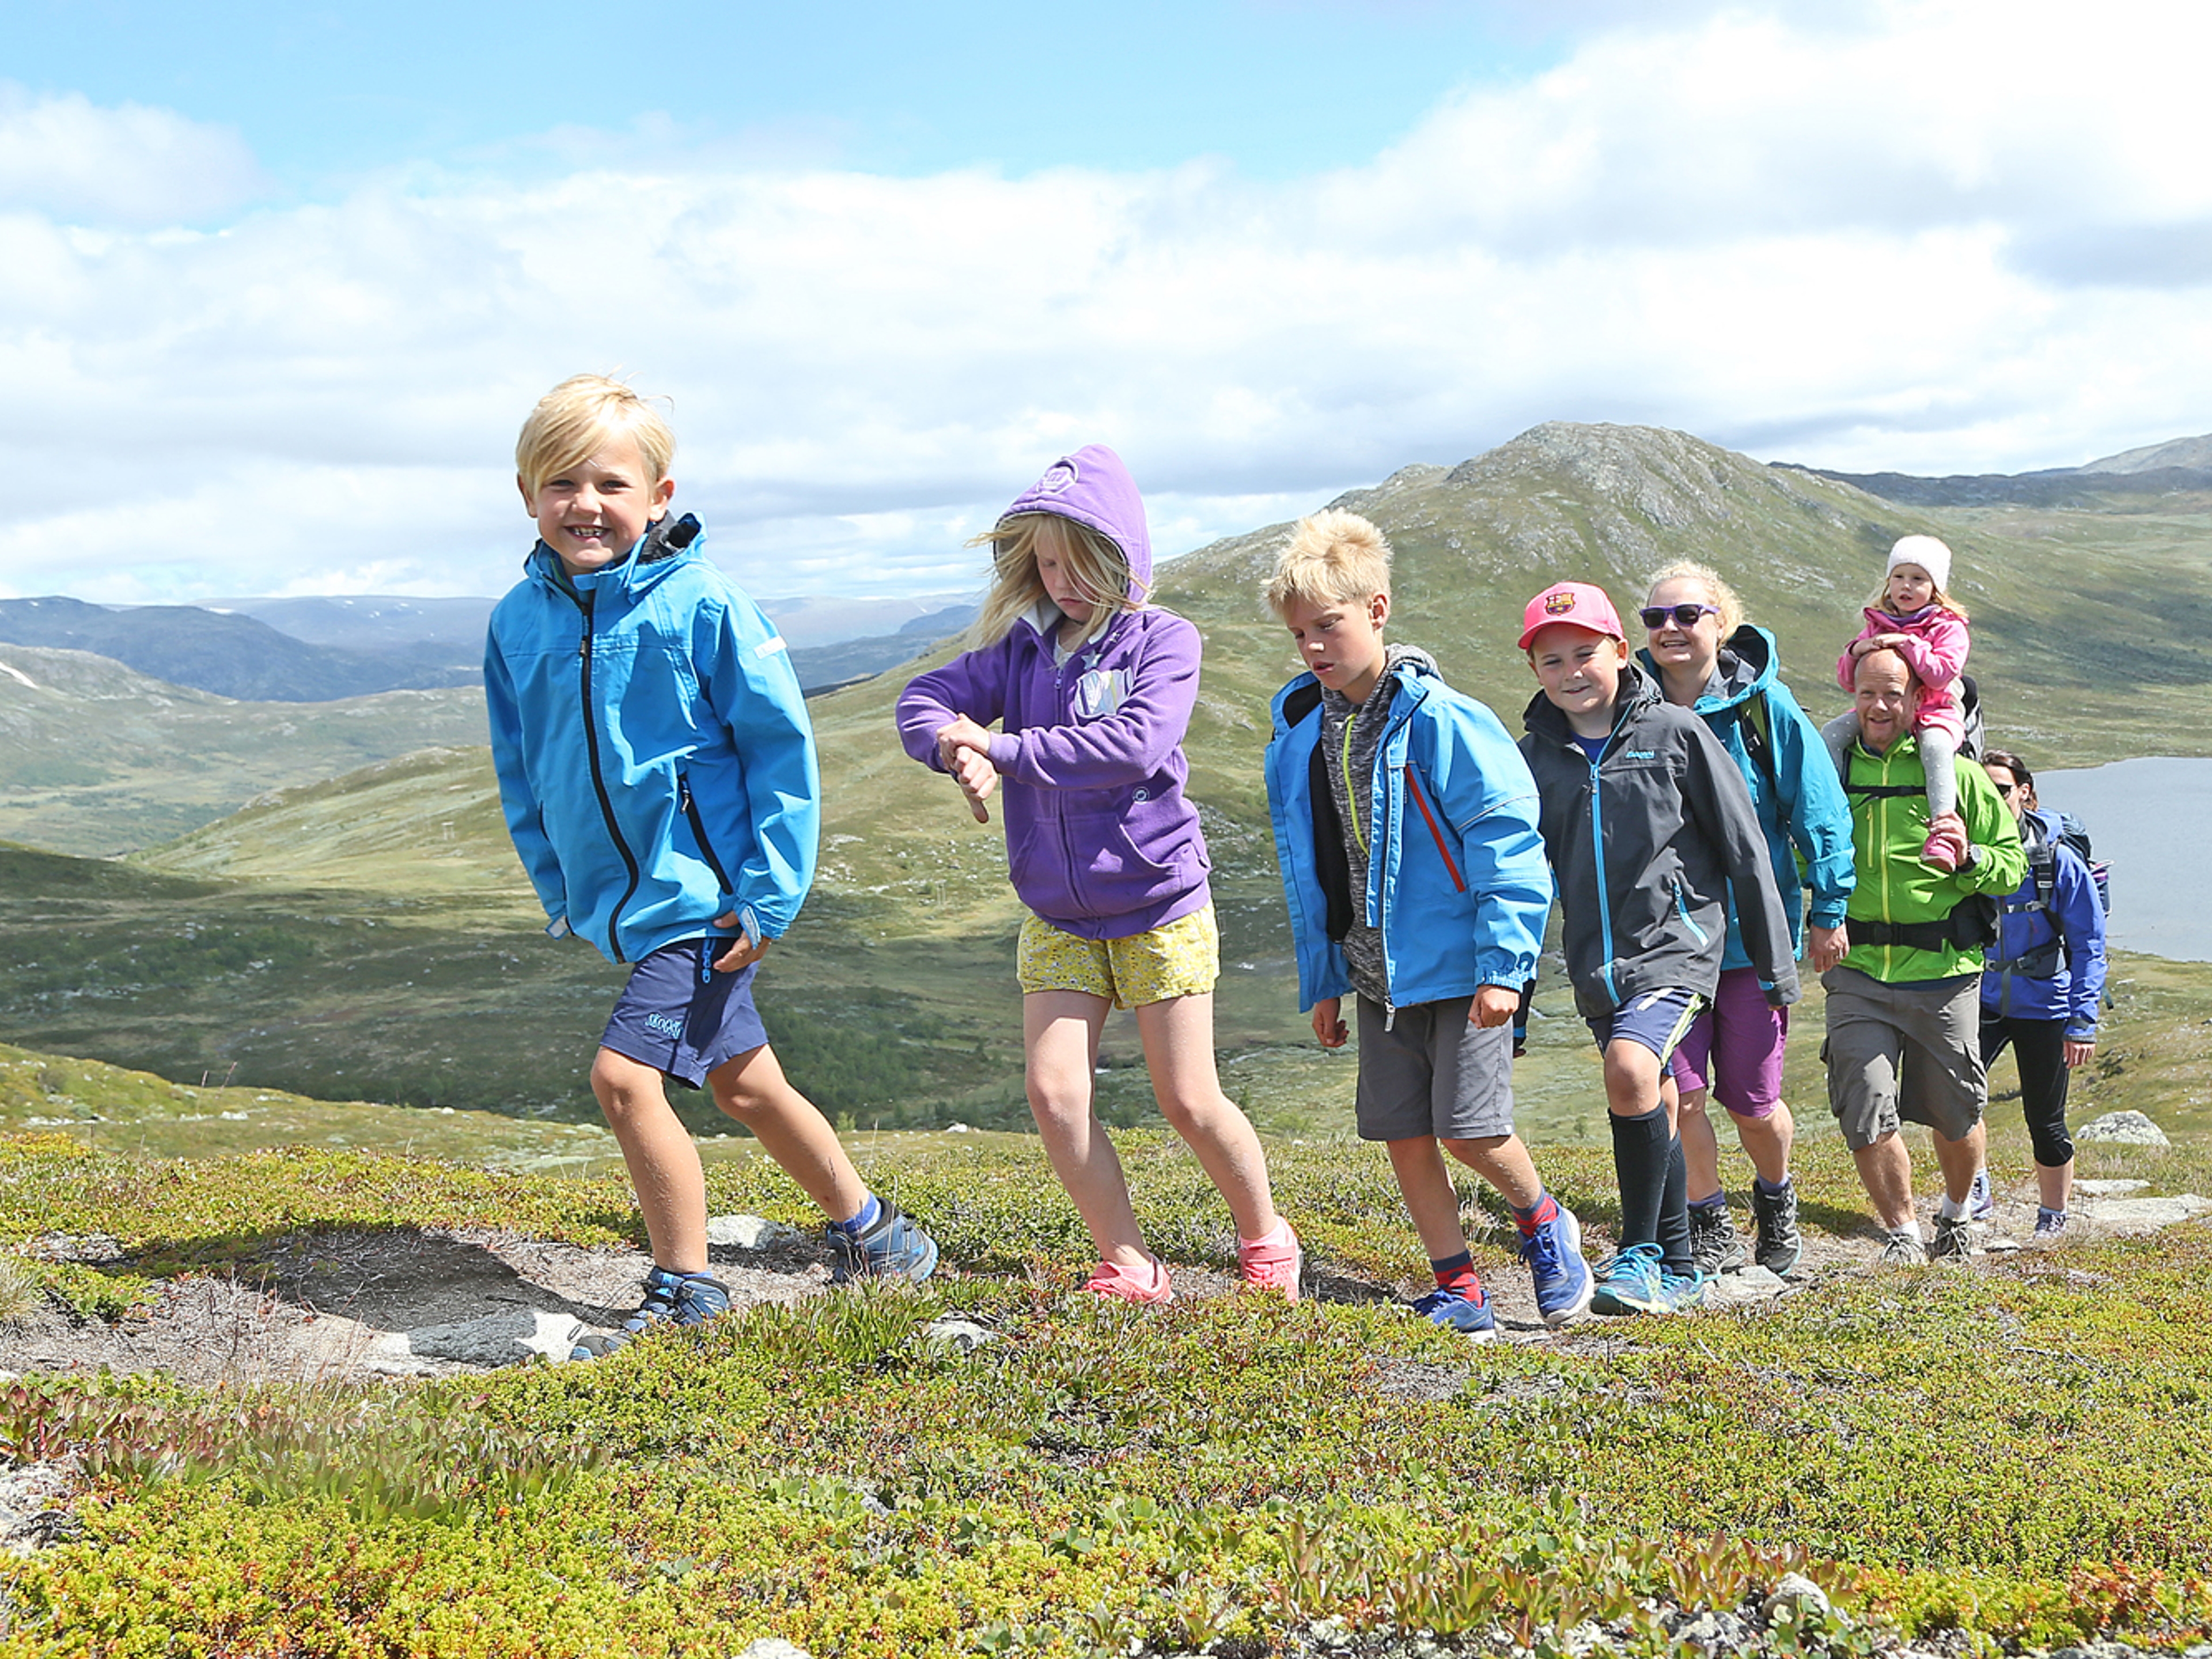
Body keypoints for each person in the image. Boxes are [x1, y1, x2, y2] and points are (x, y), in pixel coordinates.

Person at [486, 374, 939, 1361]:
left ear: (658, 494)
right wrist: (558, 884)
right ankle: (878, 1236)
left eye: (610, 481)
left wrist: (770, 892)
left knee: (623, 1081)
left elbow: (780, 749)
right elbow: (520, 762)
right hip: (625, 902)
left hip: (706, 899)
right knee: (743, 1085)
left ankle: (687, 1286)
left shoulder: (705, 604)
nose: (585, 503)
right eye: (560, 482)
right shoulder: (517, 621)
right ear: (528, 496)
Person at [893, 445, 1300, 1304]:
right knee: (1053, 1093)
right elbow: (924, 696)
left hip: (1159, 904)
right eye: (1045, 563)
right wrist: (947, 746)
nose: (1063, 582)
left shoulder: (1164, 639)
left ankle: (1265, 1234)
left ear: (1124, 557)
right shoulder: (1019, 648)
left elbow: (1134, 745)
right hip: (1058, 911)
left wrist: (997, 748)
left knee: (1189, 1100)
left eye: (1080, 564)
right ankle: (1128, 1261)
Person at [1263, 510, 1592, 1338]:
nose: (1313, 647)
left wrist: (1504, 966)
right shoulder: (1310, 730)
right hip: (1377, 975)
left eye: (1328, 625)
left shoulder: (1442, 717)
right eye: (1300, 633)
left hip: (1462, 965)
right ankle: (1460, 1288)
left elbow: (1506, 841)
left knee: (1472, 1129)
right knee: (1405, 1135)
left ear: (1377, 610)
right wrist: (1329, 979)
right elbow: (1324, 868)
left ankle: (1545, 1222)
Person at [1518, 582, 1801, 1316]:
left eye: (1586, 653)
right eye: (1552, 661)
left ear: (1620, 650)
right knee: (1660, 1096)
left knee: (1630, 1068)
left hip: (1679, 951)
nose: (1571, 672)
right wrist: (1515, 1000)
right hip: (1596, 970)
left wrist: (1775, 969)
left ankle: (1638, 1253)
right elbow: (1521, 883)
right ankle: (1679, 1261)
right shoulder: (1533, 759)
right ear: (1535, 670)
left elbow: (1745, 851)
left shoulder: (1674, 731)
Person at [1638, 563, 1855, 1278]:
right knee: (1683, 1094)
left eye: (1687, 615)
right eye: (1655, 618)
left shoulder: (1767, 711)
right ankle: (1708, 1219)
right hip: (1666, 941)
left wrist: (1828, 910)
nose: (1670, 629)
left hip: (1750, 937)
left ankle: (1776, 1196)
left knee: (1754, 1103)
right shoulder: (1628, 707)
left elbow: (1818, 811)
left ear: (1720, 625)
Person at [1825, 647, 2025, 1264]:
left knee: (1955, 1111)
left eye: (1893, 694)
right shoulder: (1833, 771)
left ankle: (1959, 1213)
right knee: (1863, 1100)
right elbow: (1807, 853)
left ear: (1919, 699)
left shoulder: (1958, 776)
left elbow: (2011, 867)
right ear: (1852, 696)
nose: (1879, 707)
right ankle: (1902, 1233)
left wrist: (1968, 859)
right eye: (1867, 694)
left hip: (1944, 972)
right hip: (1857, 971)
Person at [1976, 749, 2107, 1238]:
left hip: (2045, 1006)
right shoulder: (1970, 851)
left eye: (2003, 789)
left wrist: (2082, 1021)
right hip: (1982, 1000)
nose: (1993, 799)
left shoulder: (2059, 861)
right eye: (1983, 790)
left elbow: (2089, 945)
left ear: (2025, 793)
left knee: (2046, 1122)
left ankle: (2052, 1216)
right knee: (1957, 1102)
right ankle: (1976, 1188)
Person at [1821, 535, 1972, 870]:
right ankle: (1826, 814)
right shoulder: (1877, 623)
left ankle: (1943, 833)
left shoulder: (1948, 627)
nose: (1906, 586)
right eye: (1899, 577)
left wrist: (1908, 644)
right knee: (1830, 736)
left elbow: (1941, 674)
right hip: (1883, 711)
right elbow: (1849, 680)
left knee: (1934, 748)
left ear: (1935, 588)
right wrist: (1856, 651)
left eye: (1918, 579)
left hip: (1934, 710)